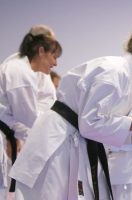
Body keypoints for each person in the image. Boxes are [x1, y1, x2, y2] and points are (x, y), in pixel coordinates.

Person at [9, 14, 132, 200]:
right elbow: (90, 124)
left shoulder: (126, 77)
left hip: (72, 140)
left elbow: (100, 126)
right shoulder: (114, 71)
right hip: (58, 141)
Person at [0, 25, 62, 200]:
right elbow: (29, 119)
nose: (56, 63)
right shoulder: (19, 71)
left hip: (16, 137)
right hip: (10, 136)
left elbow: (46, 107)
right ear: (41, 50)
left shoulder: (36, 73)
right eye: (53, 55)